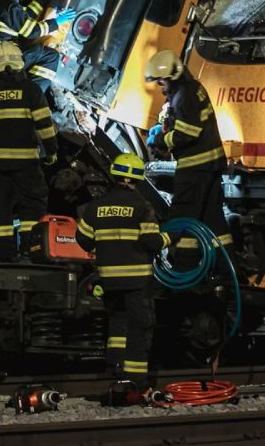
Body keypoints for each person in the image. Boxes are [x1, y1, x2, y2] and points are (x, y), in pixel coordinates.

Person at [75, 153, 168, 390]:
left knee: (117, 322)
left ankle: (114, 370)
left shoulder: (96, 207)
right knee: (140, 326)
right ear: (137, 178)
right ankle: (135, 381)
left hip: (108, 279)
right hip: (136, 279)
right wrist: (169, 237)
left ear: (115, 175)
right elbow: (151, 242)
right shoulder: (142, 207)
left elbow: (83, 241)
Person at [143, 50, 235, 270]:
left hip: (195, 168)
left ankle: (183, 268)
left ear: (170, 77)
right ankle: (227, 268)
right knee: (212, 220)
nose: (160, 86)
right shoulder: (192, 89)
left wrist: (162, 139)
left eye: (160, 81)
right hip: (210, 166)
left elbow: (187, 133)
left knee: (181, 216)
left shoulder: (184, 95)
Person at [0, 40, 59, 262]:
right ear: (19, 62)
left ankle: (3, 258)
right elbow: (45, 126)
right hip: (25, 164)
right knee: (32, 208)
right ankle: (32, 253)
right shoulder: (30, 89)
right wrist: (51, 151)